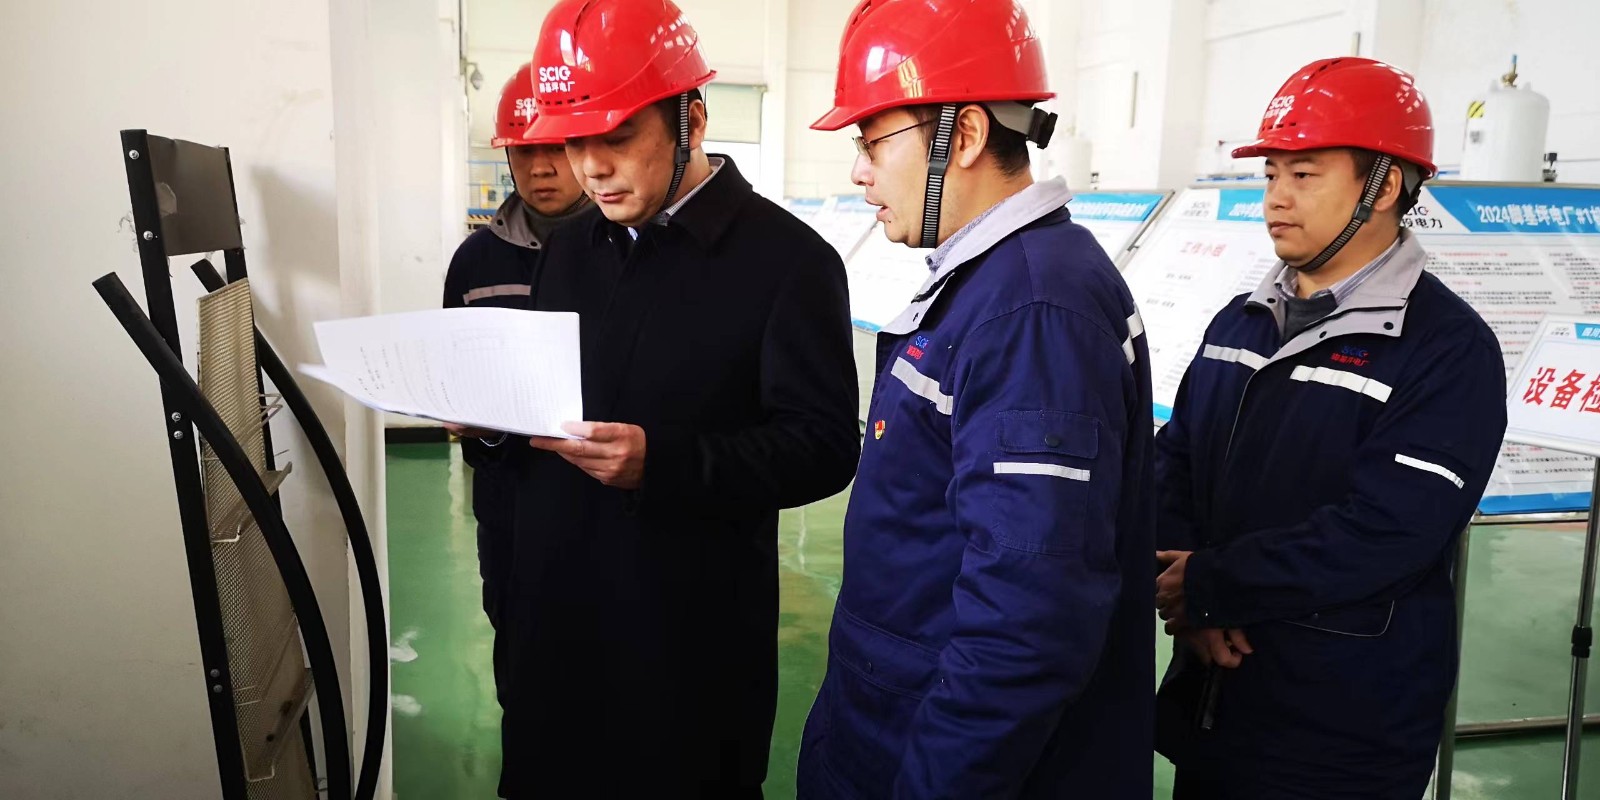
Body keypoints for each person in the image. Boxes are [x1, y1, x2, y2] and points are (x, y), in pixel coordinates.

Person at [498, 1, 861, 796]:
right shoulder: (569, 250)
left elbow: (825, 446)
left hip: (684, 645)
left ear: (691, 119)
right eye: (573, 141)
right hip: (556, 627)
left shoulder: (787, 263)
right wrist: (492, 417)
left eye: (617, 137)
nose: (591, 168)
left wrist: (664, 463)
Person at [796, 1, 1157, 796]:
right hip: (888, 714)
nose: (859, 171)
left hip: (940, 753)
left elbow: (1028, 620)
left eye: (872, 141)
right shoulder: (997, 285)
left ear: (961, 136)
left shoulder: (1035, 311)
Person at [1152, 57, 1508, 799]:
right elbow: (1175, 457)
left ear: (1385, 185)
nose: (1276, 198)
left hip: (1340, 730)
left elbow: (1390, 528)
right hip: (1213, 704)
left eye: (1304, 175)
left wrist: (1217, 586)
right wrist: (1192, 597)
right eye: (1270, 174)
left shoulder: (1447, 349)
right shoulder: (1242, 321)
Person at [440, 61, 589, 708]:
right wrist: (475, 425)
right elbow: (455, 377)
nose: (540, 168)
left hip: (602, 498)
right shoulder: (475, 262)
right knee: (522, 657)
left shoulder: (627, 249)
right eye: (524, 152)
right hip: (511, 502)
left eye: (557, 147)